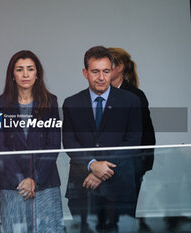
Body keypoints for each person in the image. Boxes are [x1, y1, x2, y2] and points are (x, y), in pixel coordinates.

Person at [63, 46, 142, 233]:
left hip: (120, 188)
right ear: (85, 73)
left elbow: (133, 140)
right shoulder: (71, 103)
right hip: (83, 188)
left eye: (106, 71)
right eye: (95, 72)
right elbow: (69, 142)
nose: (101, 77)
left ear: (112, 70)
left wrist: (101, 169)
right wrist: (91, 164)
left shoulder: (130, 101)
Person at [0, 50, 64, 233]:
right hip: (12, 185)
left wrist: (34, 180)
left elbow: (54, 144)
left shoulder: (52, 102)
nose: (25, 74)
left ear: (37, 73)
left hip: (45, 183)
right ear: (12, 75)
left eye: (30, 69)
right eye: (20, 69)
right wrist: (21, 180)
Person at [109, 47, 156, 232]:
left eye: (108, 66)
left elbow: (145, 133)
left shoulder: (135, 95)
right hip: (105, 168)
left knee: (124, 218)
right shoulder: (98, 95)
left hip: (130, 167)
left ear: (119, 67)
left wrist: (140, 166)